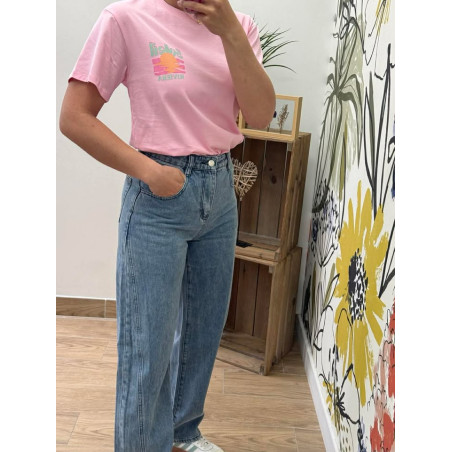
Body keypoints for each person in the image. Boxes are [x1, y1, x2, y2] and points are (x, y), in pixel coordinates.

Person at [59, 0, 275, 450]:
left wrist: (230, 31)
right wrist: (149, 171)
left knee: (202, 331)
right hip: (158, 195)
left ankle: (182, 433)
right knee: (148, 345)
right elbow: (74, 117)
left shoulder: (240, 26)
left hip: (220, 192)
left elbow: (259, 116)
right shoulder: (126, 18)